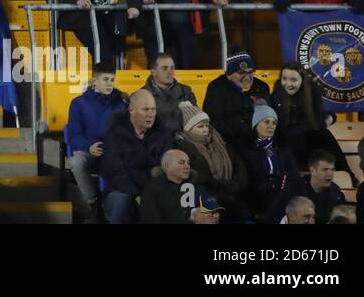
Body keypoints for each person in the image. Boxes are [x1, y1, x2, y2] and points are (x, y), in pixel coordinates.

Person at [64, 61, 127, 220]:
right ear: (94, 81)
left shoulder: (121, 103)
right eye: (105, 79)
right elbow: (73, 135)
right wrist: (89, 146)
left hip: (112, 152)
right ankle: (92, 203)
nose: (109, 84)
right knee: (77, 162)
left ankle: (114, 204)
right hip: (89, 150)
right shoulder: (78, 103)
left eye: (112, 80)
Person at [99, 89, 173, 225]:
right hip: (121, 190)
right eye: (145, 110)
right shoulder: (115, 135)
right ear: (132, 110)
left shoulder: (164, 135)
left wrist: (147, 194)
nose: (151, 114)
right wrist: (136, 195)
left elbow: (164, 170)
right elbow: (115, 171)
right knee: (121, 201)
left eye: (153, 109)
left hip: (153, 190)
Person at [272, 63, 354, 177]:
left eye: (293, 80)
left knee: (324, 135)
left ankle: (347, 175)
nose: (288, 84)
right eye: (284, 79)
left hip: (308, 141)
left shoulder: (312, 93)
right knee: (320, 133)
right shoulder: (277, 93)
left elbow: (319, 120)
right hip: (286, 142)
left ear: (302, 80)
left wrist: (330, 118)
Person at [174, 102, 248, 222]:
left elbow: (238, 163)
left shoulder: (219, 142)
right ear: (188, 129)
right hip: (205, 199)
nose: (205, 130)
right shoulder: (183, 147)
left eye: (206, 125)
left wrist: (237, 183)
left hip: (231, 194)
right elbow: (196, 176)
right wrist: (223, 187)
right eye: (200, 126)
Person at [240, 103, 300, 222]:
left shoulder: (283, 150)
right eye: (266, 122)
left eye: (274, 123)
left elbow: (295, 176)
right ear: (255, 124)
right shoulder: (246, 151)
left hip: (281, 195)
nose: (271, 126)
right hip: (257, 196)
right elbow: (245, 181)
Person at [204, 51, 272, 154]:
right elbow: (214, 122)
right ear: (229, 74)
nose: (247, 77)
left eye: (250, 72)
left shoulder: (261, 87)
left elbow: (269, 117)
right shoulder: (217, 88)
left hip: (257, 141)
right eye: (241, 73)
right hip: (228, 144)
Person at [270, 149, 346, 224]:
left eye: (332, 170)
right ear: (312, 170)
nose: (330, 174)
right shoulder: (293, 189)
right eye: (325, 169)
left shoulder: (336, 193)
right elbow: (273, 216)